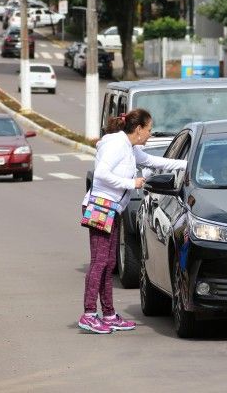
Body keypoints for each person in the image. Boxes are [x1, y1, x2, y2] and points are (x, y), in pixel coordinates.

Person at [79, 109, 187, 334]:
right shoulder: (116, 145)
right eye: (149, 130)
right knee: (100, 262)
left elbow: (155, 161)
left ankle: (108, 314)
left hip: (113, 208)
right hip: (101, 206)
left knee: (109, 262)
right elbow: (100, 174)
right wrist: (132, 183)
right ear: (138, 129)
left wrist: (187, 165)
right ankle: (89, 314)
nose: (150, 134)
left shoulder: (129, 147)